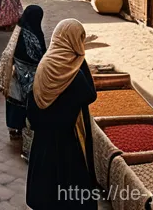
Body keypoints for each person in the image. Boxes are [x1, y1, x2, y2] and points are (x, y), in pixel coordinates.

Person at [26, 19, 97, 209]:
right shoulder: (75, 75)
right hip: (68, 146)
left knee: (44, 195)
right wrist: (81, 60)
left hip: (43, 144)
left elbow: (32, 106)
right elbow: (91, 95)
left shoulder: (44, 65)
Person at [0, 5, 46, 140]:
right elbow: (39, 55)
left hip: (16, 73)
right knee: (26, 101)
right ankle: (25, 125)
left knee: (15, 99)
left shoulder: (18, 32)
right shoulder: (35, 34)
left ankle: (14, 127)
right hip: (29, 74)